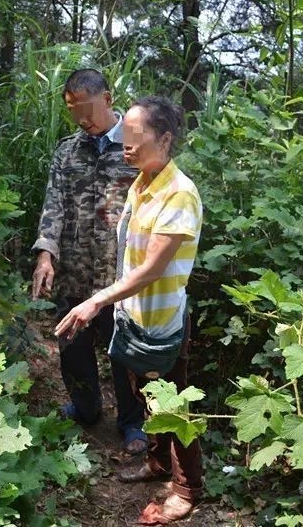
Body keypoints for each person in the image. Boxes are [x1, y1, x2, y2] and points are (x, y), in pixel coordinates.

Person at [55, 96, 203, 525]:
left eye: (137, 136)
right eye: (127, 135)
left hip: (161, 321)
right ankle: (157, 464)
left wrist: (97, 299)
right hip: (135, 317)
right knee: (146, 396)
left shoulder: (179, 194)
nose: (127, 144)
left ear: (166, 138)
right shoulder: (142, 184)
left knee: (173, 407)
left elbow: (153, 269)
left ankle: (187, 488)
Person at [31, 69, 147, 455]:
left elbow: (158, 201)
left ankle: (133, 423)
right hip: (75, 271)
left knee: (125, 350)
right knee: (74, 345)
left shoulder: (136, 144)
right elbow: (54, 205)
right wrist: (46, 254)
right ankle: (86, 407)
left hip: (121, 273)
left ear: (108, 99)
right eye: (73, 111)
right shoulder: (67, 150)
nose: (82, 119)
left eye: (87, 108)